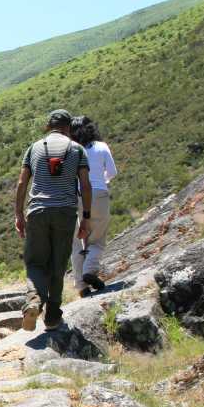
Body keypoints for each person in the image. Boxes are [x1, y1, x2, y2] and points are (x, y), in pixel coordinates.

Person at [14, 109, 92, 331]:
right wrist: (86, 218)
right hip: (65, 213)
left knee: (35, 263)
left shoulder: (34, 148)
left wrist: (19, 214)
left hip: (37, 211)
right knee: (58, 264)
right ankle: (52, 316)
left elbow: (22, 183)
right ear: (69, 127)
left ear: (49, 126)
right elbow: (85, 185)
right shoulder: (77, 150)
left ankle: (33, 300)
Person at [70, 116, 118, 296]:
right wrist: (102, 180)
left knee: (77, 241)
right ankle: (89, 270)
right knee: (97, 238)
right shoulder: (101, 146)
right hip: (98, 194)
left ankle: (81, 286)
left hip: (76, 197)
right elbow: (112, 171)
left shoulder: (71, 151)